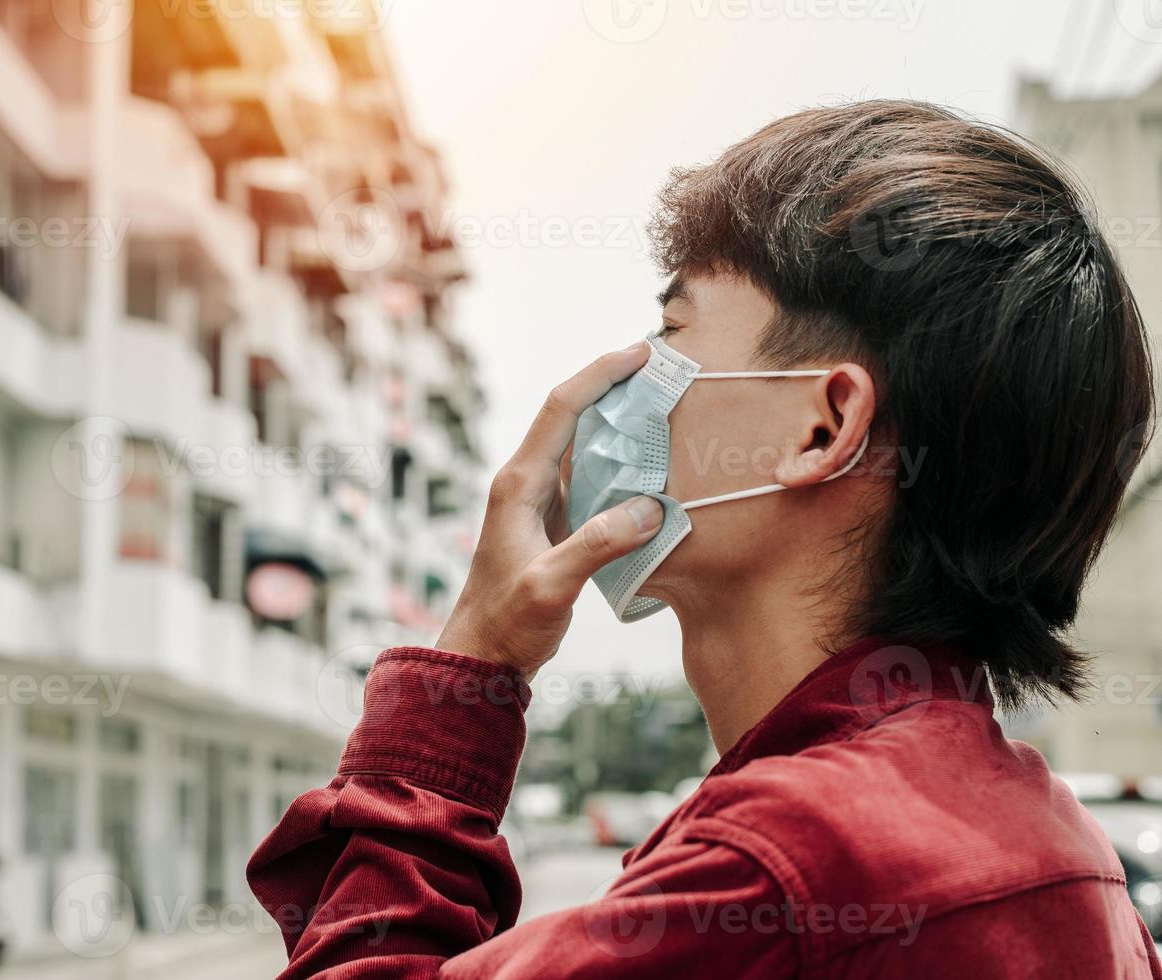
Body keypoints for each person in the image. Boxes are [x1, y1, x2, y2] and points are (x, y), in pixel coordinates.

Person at [248, 100, 1162, 977]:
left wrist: (473, 662)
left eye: (670, 332)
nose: (620, 386)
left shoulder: (783, 868)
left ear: (823, 426)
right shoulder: (1070, 854)